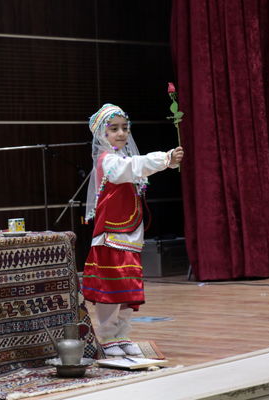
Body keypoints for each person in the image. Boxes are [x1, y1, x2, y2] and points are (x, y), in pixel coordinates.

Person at [82, 103, 184, 357]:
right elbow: (133, 168)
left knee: (128, 288)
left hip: (129, 234)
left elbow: (135, 166)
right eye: (113, 129)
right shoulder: (108, 162)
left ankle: (122, 334)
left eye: (124, 128)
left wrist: (166, 161)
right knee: (112, 288)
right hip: (111, 236)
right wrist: (165, 158)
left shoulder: (124, 158)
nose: (121, 134)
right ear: (101, 135)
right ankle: (107, 337)